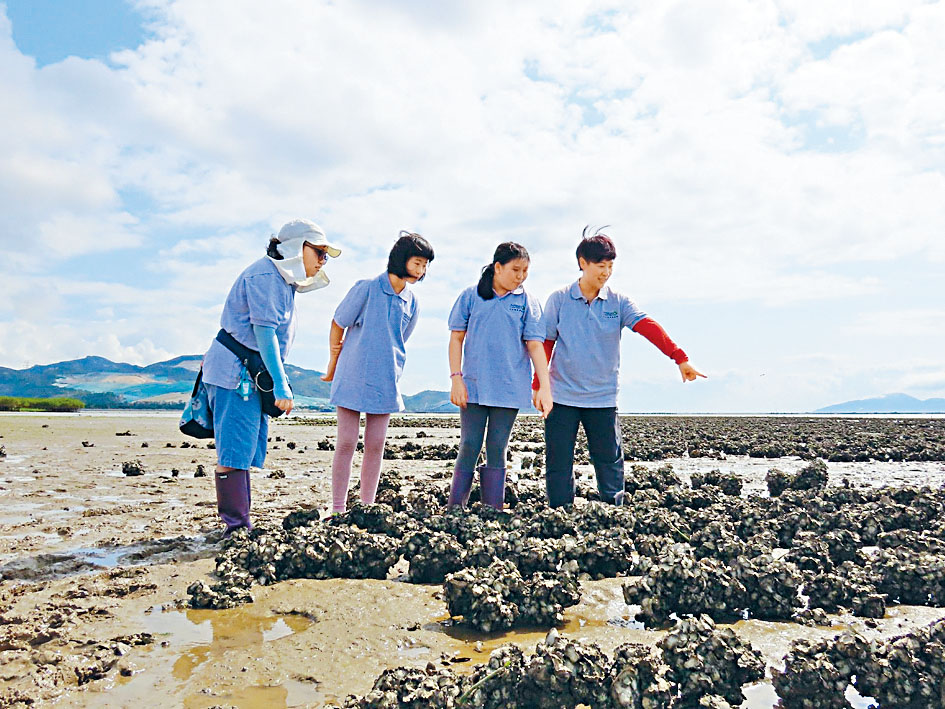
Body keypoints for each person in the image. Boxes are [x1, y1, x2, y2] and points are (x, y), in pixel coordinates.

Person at [537, 228, 705, 507]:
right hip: (561, 396)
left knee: (609, 461)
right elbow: (545, 345)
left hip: (603, 397)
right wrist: (539, 386)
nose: (606, 272)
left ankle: (614, 512)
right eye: (601, 266)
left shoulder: (619, 302)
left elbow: (647, 327)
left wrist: (680, 357)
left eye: (611, 266)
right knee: (558, 460)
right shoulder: (559, 299)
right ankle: (559, 512)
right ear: (583, 263)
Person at [201, 218, 341, 534]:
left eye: (325, 256)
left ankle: (238, 521)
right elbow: (265, 335)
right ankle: (235, 526)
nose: (322, 261)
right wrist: (281, 383)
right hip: (235, 375)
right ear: (295, 248)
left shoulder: (281, 281)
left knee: (243, 448)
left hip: (246, 374)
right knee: (234, 451)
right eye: (319, 252)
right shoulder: (266, 277)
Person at [322, 231, 435, 513]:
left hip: (386, 378)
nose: (421, 271)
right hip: (352, 374)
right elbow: (338, 323)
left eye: (425, 266)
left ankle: (367, 507)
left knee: (376, 444)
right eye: (418, 263)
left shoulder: (413, 302)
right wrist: (333, 361)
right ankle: (338, 508)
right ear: (401, 258)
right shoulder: (367, 288)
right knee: (346, 442)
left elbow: (400, 339)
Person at [446, 243, 553, 510]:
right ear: (497, 267)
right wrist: (456, 378)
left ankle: (492, 508)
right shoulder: (471, 296)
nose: (521, 276)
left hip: (510, 386)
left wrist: (545, 387)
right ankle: (455, 507)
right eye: (515, 269)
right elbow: (456, 338)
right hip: (474, 385)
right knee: (470, 443)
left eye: (525, 271)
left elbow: (535, 345)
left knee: (497, 446)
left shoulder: (528, 302)